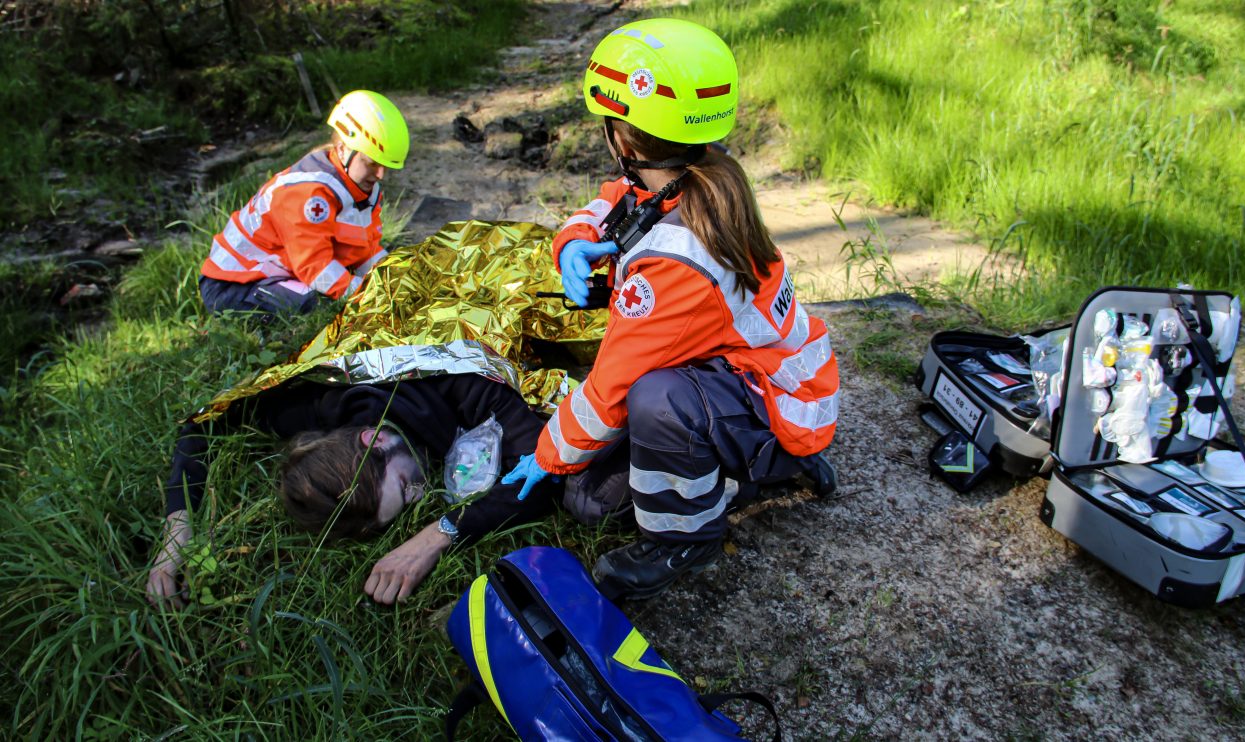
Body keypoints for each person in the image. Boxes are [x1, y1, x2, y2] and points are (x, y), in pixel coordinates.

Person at [503, 19, 840, 601]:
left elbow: (612, 386)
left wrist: (548, 455)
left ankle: (685, 537)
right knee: (645, 413)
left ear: (623, 140)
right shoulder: (701, 175)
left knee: (651, 402)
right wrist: (573, 241)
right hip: (784, 381)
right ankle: (768, 463)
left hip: (777, 403)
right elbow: (612, 199)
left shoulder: (675, 262)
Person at [145, 364, 562, 607]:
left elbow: (544, 470)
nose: (421, 496)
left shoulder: (453, 383)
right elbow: (202, 425)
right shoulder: (315, 409)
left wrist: (436, 535)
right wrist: (177, 529)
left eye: (404, 483)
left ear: (375, 440)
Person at [198, 90, 409, 316]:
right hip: (235, 284)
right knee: (316, 305)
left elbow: (365, 251)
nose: (380, 175)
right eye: (371, 164)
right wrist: (368, 295)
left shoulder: (361, 189)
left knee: (355, 289)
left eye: (386, 167)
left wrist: (396, 279)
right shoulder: (307, 195)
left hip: (281, 273)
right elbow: (315, 267)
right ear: (343, 148)